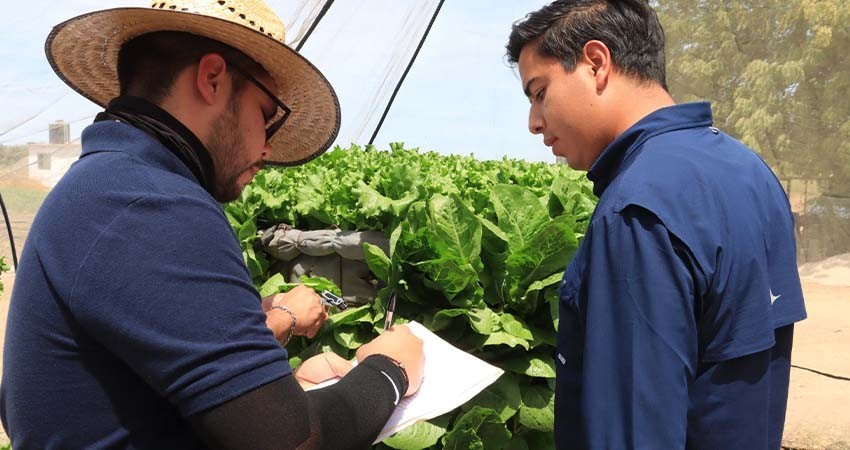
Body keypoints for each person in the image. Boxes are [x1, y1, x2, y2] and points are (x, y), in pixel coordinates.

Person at [0, 0, 424, 448]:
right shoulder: (152, 205)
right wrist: (389, 370)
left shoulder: (104, 184)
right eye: (267, 116)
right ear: (212, 79)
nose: (266, 148)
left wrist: (286, 387)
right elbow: (292, 442)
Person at [506, 1, 806, 449]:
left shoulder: (637, 210)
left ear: (595, 63)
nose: (534, 122)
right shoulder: (749, 171)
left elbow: (632, 433)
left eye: (540, 92)